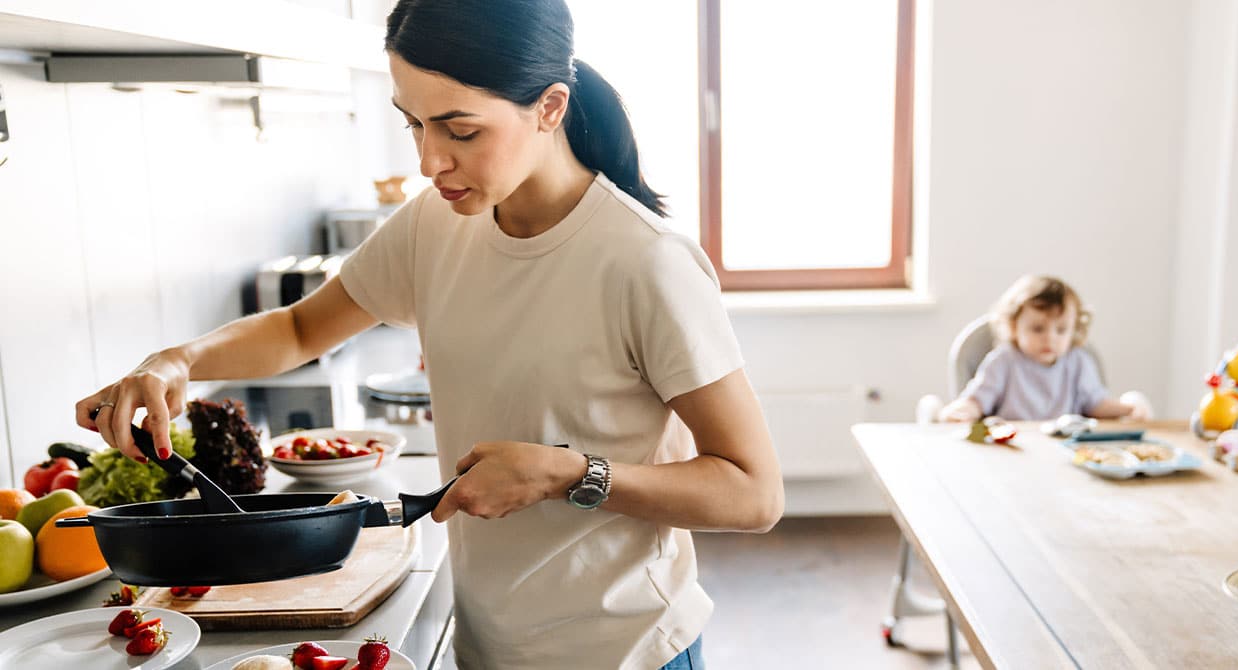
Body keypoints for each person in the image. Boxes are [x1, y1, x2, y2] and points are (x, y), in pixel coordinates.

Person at [75, 1, 783, 667]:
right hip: (491, 644)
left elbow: (753, 493)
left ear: (550, 108)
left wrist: (567, 474)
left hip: (626, 650)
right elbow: (299, 329)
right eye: (413, 123)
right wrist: (177, 360)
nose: (428, 160)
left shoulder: (645, 261)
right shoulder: (434, 223)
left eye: (460, 130)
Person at [938, 274, 1151, 423]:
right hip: (1013, 447)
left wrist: (1129, 409)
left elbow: (1094, 405)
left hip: (1065, 450)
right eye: (1037, 329)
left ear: (1074, 329)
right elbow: (979, 400)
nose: (1049, 338)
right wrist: (963, 411)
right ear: (1014, 326)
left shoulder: (1077, 361)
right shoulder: (1004, 360)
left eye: (1061, 330)